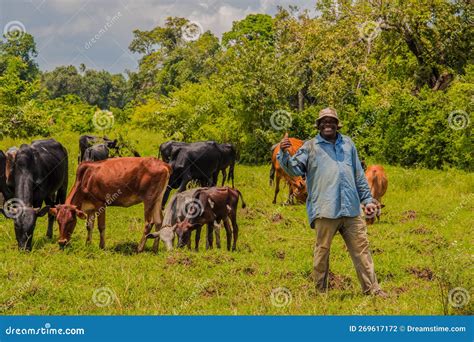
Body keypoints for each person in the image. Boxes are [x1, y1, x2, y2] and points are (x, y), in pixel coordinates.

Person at [277, 107, 387, 297]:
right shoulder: (310, 146)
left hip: (351, 209)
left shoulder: (348, 144)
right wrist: (284, 152)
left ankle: (372, 290)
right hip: (325, 209)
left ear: (337, 125)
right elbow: (294, 169)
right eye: (324, 122)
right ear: (318, 126)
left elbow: (359, 176)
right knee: (322, 252)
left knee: (362, 250)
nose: (328, 124)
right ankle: (320, 291)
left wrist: (368, 199)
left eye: (331, 121)